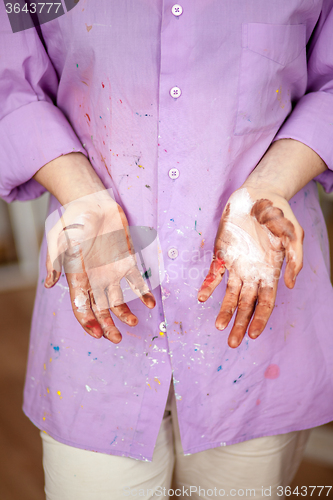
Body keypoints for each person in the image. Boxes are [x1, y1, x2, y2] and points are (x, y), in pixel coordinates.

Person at [1, 1, 333, 498]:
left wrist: (271, 184)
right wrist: (82, 194)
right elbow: (12, 86)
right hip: (95, 310)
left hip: (256, 320)